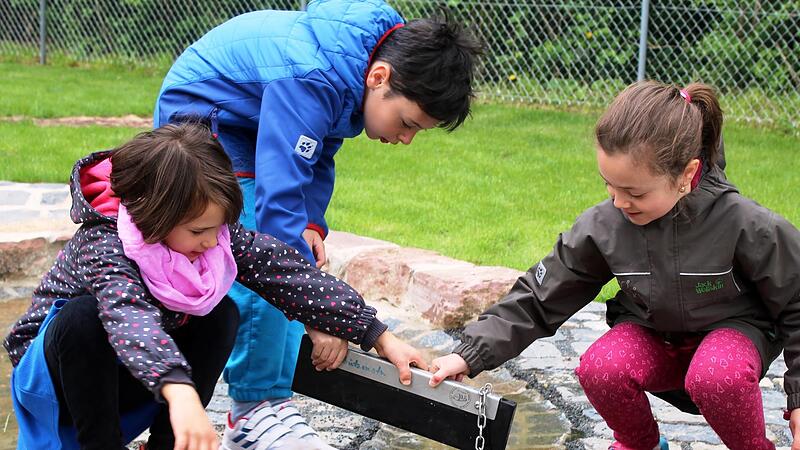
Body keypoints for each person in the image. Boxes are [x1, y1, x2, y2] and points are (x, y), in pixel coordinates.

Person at [153, 0, 482, 446]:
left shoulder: (350, 67)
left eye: (417, 131)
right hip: (203, 123)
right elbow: (277, 201)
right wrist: (317, 317)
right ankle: (253, 412)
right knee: (263, 246)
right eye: (407, 123)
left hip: (251, 123)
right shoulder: (314, 75)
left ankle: (269, 402)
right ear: (379, 77)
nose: (405, 138)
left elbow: (318, 154)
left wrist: (311, 221)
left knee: (295, 246)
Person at [4, 123, 426, 450]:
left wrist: (378, 335)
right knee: (85, 317)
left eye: (219, 228)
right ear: (154, 217)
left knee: (221, 312)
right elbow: (127, 316)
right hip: (57, 384)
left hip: (139, 377)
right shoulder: (105, 243)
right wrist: (180, 392)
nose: (212, 241)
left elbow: (287, 273)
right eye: (199, 230)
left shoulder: (211, 234)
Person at [428, 81, 800, 450]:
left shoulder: (747, 225)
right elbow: (541, 295)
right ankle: (641, 445)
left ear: (687, 174)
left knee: (717, 374)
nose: (619, 202)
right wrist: (469, 352)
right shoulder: (606, 226)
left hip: (731, 343)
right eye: (609, 186)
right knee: (601, 367)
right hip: (656, 334)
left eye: (635, 192)